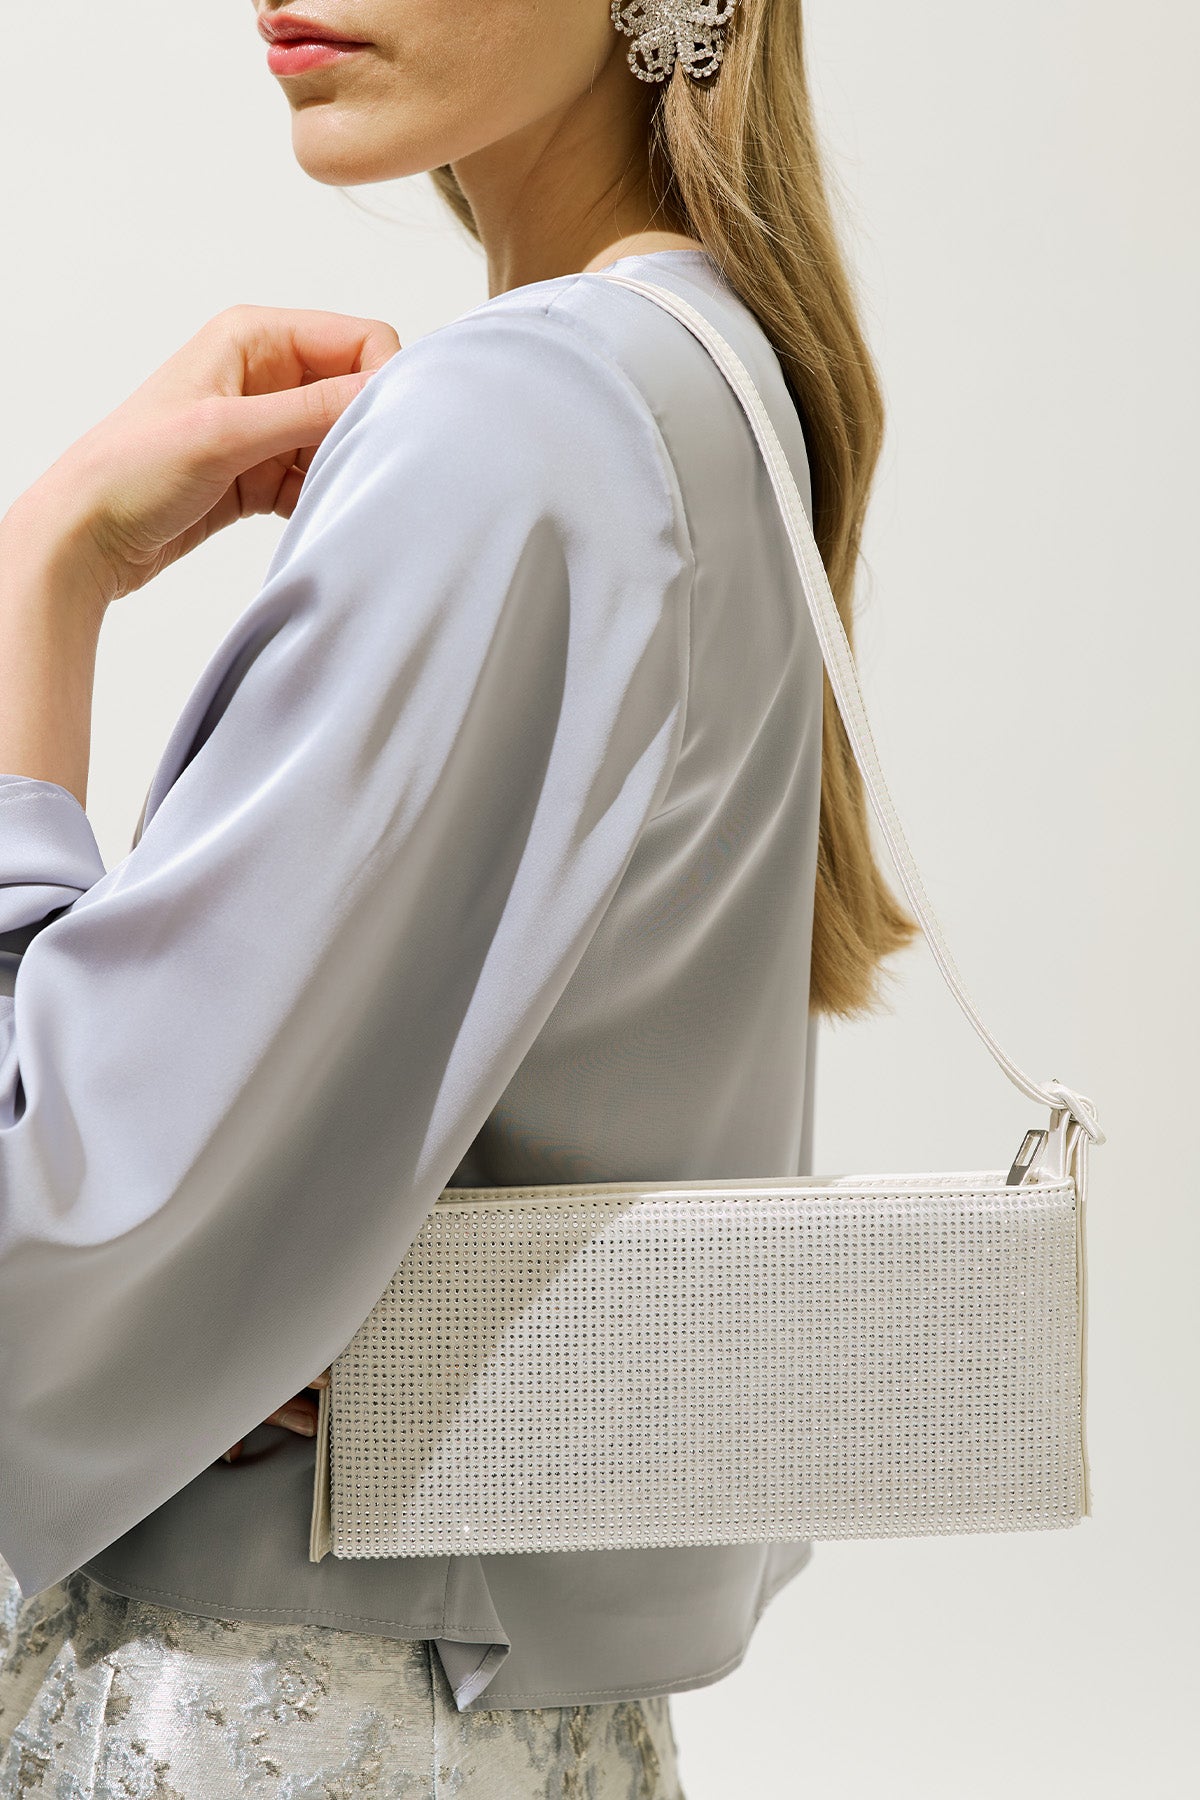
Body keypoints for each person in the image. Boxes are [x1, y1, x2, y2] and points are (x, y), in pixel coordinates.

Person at [0, 1, 919, 1793]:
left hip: (254, 1716)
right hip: (505, 1721)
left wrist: (44, 584)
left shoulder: (517, 422)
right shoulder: (712, 381)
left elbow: (41, 1248)